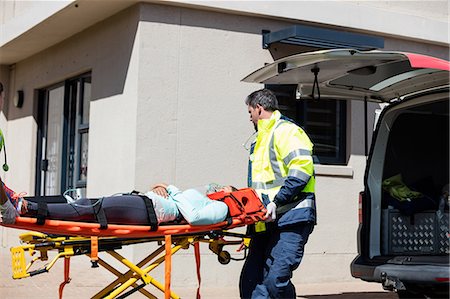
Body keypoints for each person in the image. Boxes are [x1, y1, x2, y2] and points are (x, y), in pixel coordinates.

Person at [239, 88, 316, 299]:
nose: (250, 118)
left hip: (292, 217)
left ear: (259, 108)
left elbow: (301, 171)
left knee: (275, 282)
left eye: (250, 112)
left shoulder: (287, 132)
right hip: (265, 221)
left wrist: (277, 200)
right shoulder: (259, 141)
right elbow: (259, 186)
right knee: (251, 283)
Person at [0, 179, 234, 226]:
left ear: (230, 195)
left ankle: (26, 208)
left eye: (226, 189)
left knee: (90, 209)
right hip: (145, 201)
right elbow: (180, 198)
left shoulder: (221, 208)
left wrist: (171, 189)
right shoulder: (205, 196)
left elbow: (192, 216)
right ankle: (24, 203)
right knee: (82, 203)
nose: (220, 187)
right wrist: (160, 185)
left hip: (151, 210)